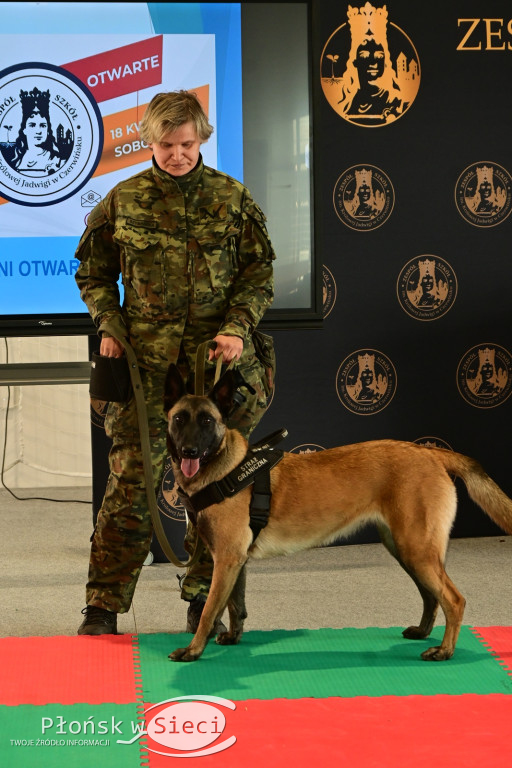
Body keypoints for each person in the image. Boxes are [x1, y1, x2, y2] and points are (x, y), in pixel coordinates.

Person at [75, 90, 275, 636]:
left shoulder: (232, 199)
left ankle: (204, 602)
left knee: (219, 496)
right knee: (129, 490)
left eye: (186, 144)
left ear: (201, 139)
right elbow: (92, 274)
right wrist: (110, 325)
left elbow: (259, 276)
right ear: (150, 141)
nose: (177, 154)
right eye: (166, 145)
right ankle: (103, 605)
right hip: (146, 377)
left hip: (219, 377)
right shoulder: (123, 200)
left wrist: (237, 328)